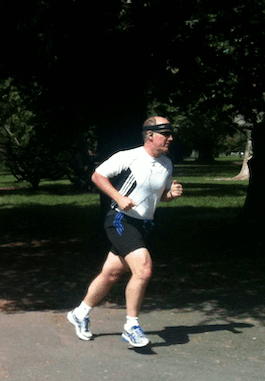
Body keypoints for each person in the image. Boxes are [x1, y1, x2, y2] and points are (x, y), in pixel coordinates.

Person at [66, 116, 183, 348]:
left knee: (110, 274)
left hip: (143, 225)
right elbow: (97, 176)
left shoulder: (166, 164)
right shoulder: (129, 157)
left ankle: (80, 313)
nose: (170, 138)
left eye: (171, 134)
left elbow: (157, 196)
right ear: (150, 135)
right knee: (144, 269)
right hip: (120, 219)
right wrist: (119, 197)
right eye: (165, 134)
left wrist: (171, 194)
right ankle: (131, 326)